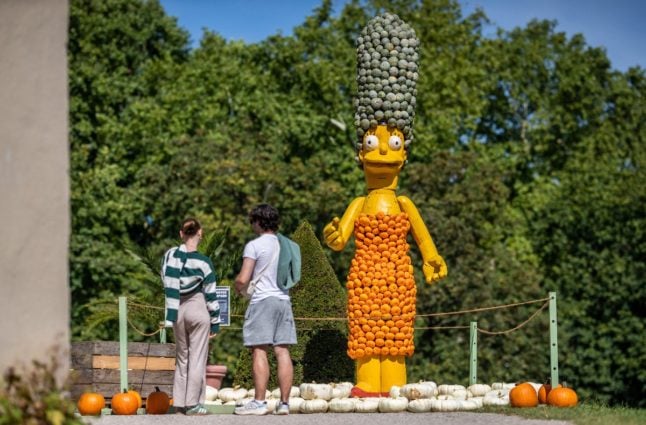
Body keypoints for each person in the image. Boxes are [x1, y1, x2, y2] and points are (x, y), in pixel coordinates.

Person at [234, 204, 297, 416]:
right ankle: (285, 404)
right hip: (283, 300)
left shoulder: (254, 245)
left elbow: (244, 277)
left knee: (259, 349)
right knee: (282, 351)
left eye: (252, 221)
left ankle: (260, 402)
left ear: (259, 222)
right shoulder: (287, 244)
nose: (251, 225)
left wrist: (238, 288)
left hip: (262, 301)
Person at [161, 217, 220, 415]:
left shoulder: (170, 257)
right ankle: (193, 404)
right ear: (200, 233)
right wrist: (216, 322)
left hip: (176, 309)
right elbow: (211, 294)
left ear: (181, 234)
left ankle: (179, 403)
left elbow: (165, 280)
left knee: (182, 358)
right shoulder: (204, 262)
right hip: (197, 307)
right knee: (197, 358)